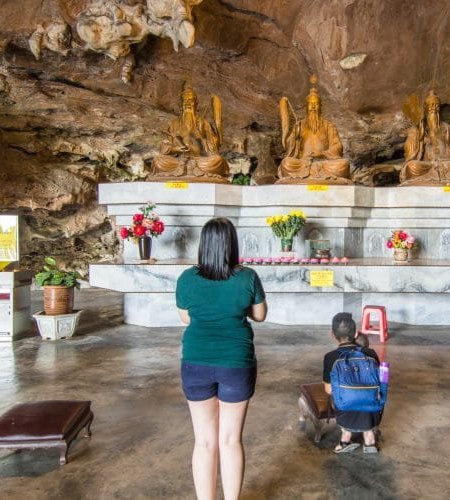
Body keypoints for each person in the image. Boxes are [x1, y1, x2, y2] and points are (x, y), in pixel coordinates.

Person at [176, 218, 268, 500]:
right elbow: (260, 315)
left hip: (195, 362)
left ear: (203, 245)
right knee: (230, 440)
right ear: (232, 245)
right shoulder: (247, 277)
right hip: (236, 363)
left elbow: (185, 318)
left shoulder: (186, 279)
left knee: (204, 441)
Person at [323, 312, 381, 453]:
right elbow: (380, 383)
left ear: (332, 334)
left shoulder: (330, 357)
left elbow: (329, 390)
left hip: (345, 413)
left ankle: (346, 437)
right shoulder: (371, 353)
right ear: (356, 334)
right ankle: (369, 439)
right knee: (370, 395)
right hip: (372, 410)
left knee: (340, 396)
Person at [277, 77, 352, 184]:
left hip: (323, 163)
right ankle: (313, 175)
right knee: (286, 163)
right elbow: (289, 148)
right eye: (310, 104)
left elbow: (338, 146)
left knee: (343, 164)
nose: (312, 106)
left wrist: (323, 153)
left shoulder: (329, 126)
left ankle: (312, 175)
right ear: (306, 107)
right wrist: (295, 137)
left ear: (320, 107)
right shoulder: (299, 125)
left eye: (315, 104)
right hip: (302, 164)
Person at [151, 84, 230, 182]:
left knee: (217, 160)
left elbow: (213, 150)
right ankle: (186, 169)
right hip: (178, 161)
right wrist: (175, 149)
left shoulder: (203, 123)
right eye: (185, 101)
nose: (188, 103)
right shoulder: (174, 123)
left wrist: (202, 138)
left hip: (199, 160)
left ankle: (187, 170)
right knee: (158, 160)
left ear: (196, 103)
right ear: (181, 104)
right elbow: (164, 146)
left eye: (190, 100)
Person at [400, 90, 450, 186]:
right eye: (431, 106)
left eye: (436, 106)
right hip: (428, 165)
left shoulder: (446, 127)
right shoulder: (420, 128)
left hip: (447, 164)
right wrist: (418, 138)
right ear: (426, 108)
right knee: (412, 166)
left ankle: (443, 177)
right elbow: (409, 152)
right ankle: (433, 176)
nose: (434, 109)